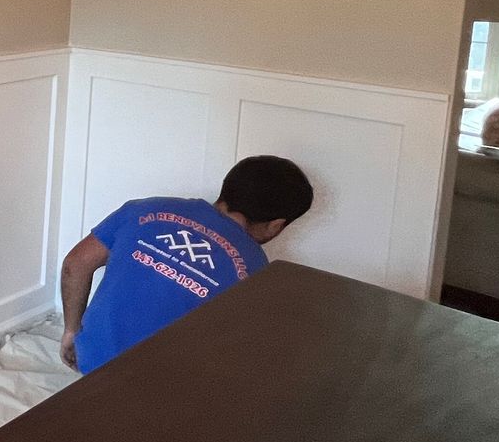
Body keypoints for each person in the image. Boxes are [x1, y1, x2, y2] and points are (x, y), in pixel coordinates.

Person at [59, 155, 313, 372]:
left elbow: (75, 264)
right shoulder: (255, 269)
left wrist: (71, 332)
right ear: (276, 225)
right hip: (159, 391)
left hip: (91, 360)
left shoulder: (145, 208)